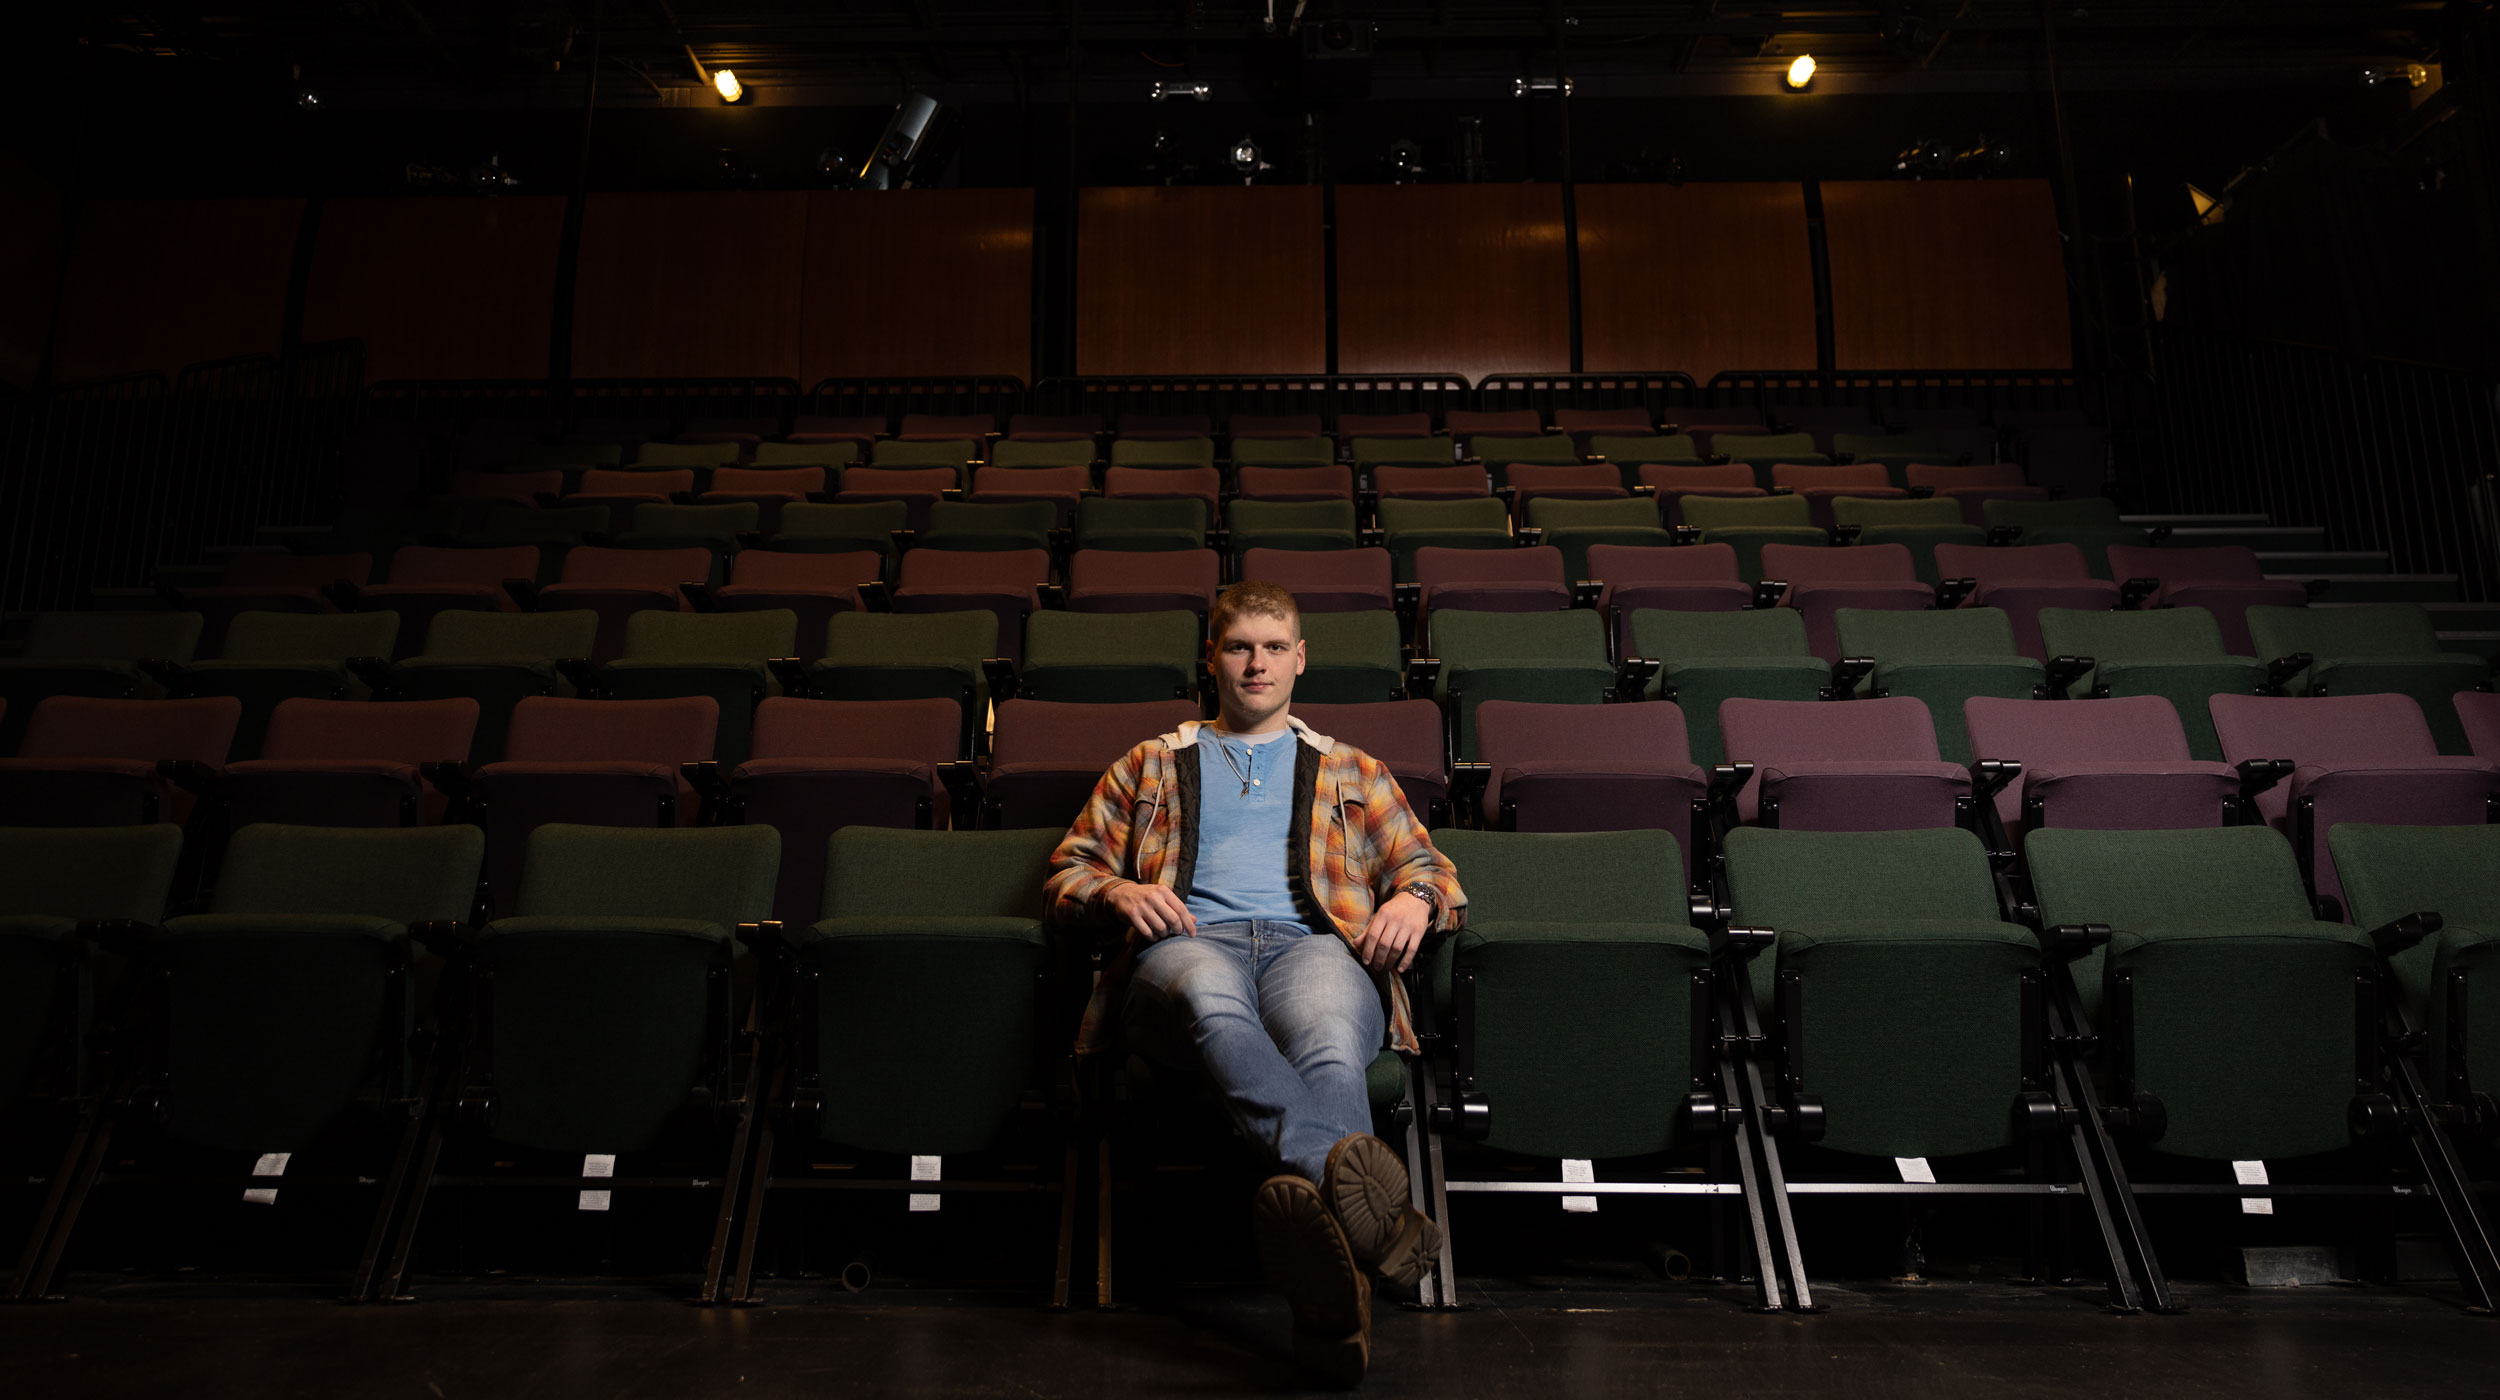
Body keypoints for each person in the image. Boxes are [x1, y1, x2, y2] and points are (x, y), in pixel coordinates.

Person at [1046, 579, 1464, 1387]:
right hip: (1188, 945)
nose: (1256, 663)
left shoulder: (1352, 768)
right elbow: (1067, 872)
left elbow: (1431, 868)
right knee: (1209, 996)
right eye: (1239, 647)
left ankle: (1334, 1306)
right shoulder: (1150, 763)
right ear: (1212, 658)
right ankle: (1371, 1216)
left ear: (1300, 659)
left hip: (1311, 946)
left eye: (1274, 648)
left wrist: (1414, 900)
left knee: (1331, 1040)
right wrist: (1118, 892)